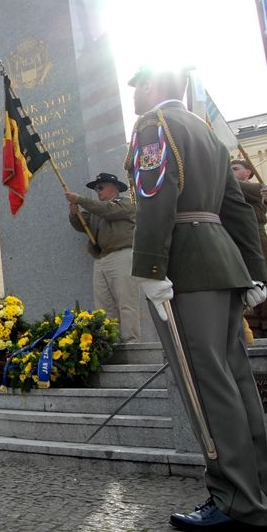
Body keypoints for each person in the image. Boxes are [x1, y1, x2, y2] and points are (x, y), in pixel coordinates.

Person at [125, 66, 267, 531]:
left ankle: (235, 500)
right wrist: (255, 273)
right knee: (237, 380)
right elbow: (237, 208)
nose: (133, 98)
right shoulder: (206, 133)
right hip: (224, 263)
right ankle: (258, 485)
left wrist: (149, 269)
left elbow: (154, 196)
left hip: (186, 266)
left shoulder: (154, 126)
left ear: (151, 88)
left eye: (137, 88)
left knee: (207, 386)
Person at [65, 172, 143, 343]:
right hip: (101, 259)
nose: (97, 191)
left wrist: (81, 200)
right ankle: (111, 342)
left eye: (100, 187)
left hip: (122, 255)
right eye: (96, 188)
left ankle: (131, 342)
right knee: (104, 306)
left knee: (126, 302)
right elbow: (81, 225)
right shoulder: (96, 211)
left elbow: (108, 211)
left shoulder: (126, 203)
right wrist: (74, 213)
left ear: (114, 188)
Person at [232, 159, 267, 338]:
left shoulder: (254, 189)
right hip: (239, 240)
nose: (231, 171)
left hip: (256, 242)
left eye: (236, 169)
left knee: (259, 282)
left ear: (248, 173)